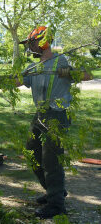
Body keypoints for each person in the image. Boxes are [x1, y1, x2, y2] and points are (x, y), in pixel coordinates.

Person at [16, 26, 92, 219]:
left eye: (32, 43)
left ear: (43, 42)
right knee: (32, 152)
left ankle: (56, 205)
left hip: (57, 116)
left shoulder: (62, 60)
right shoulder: (34, 67)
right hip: (40, 113)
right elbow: (19, 80)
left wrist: (70, 73)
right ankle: (54, 190)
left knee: (51, 160)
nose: (30, 47)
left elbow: (87, 75)